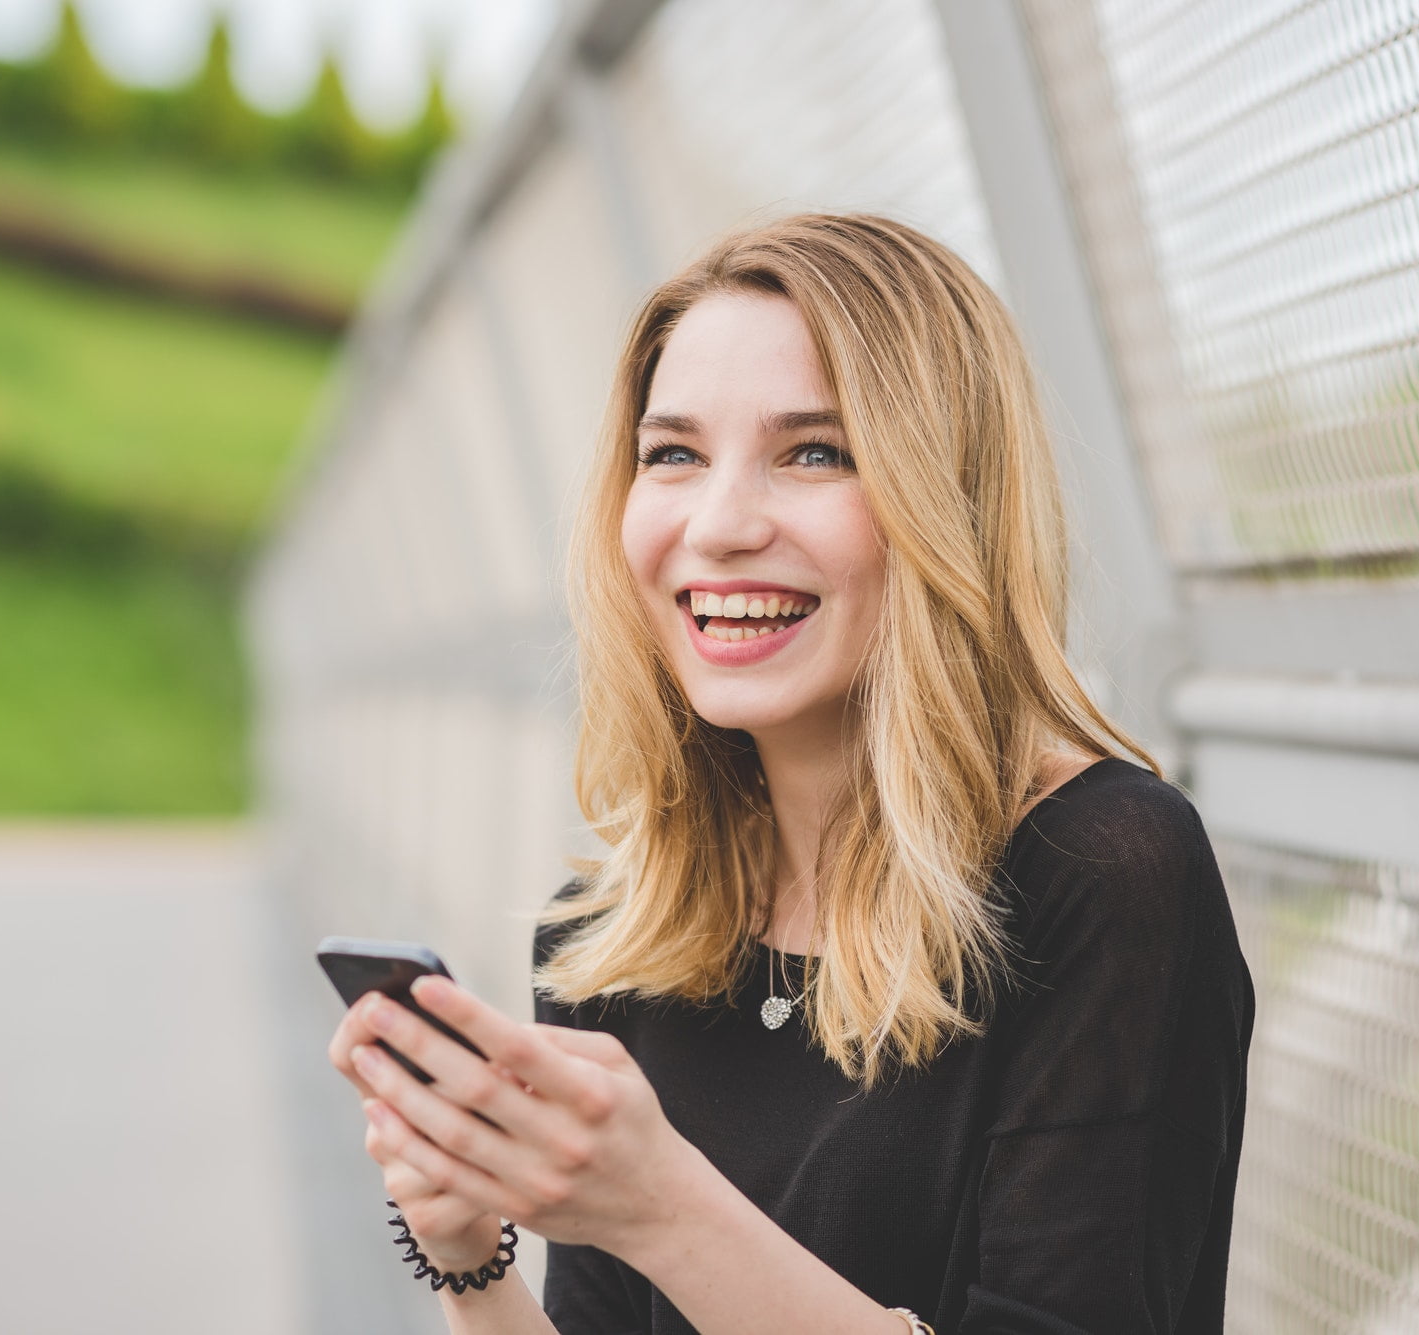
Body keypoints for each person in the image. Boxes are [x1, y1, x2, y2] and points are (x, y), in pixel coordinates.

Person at [328, 213, 1254, 1334]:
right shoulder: (615, 934)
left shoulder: (1103, 871)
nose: (717, 526)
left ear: (945, 498)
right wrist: (469, 1258)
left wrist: (661, 1209)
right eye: (672, 453)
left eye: (812, 451)